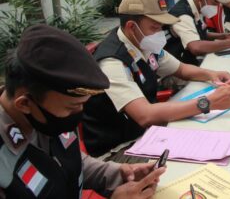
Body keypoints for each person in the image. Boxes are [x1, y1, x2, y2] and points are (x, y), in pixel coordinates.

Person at [0, 24, 165, 198]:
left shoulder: (47, 115)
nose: (78, 113)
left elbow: (73, 163)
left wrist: (120, 173)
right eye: (71, 107)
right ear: (25, 103)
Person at [82, 0, 230, 157]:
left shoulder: (144, 44)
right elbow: (144, 115)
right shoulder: (112, 62)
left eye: (161, 27)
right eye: (154, 27)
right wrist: (207, 103)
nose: (159, 33)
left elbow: (181, 69)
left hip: (147, 133)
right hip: (119, 150)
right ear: (132, 27)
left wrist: (211, 74)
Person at [165, 0, 230, 65]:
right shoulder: (183, 16)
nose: (218, 6)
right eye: (215, 2)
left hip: (187, 61)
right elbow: (196, 47)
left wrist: (224, 36)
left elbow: (197, 32)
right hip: (177, 67)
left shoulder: (193, 5)